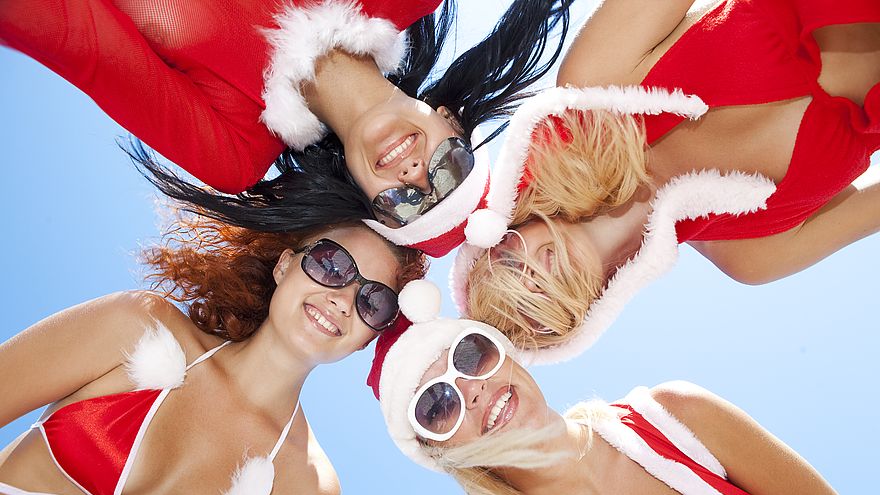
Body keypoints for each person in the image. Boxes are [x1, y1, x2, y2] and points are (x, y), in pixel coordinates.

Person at [0, 213, 426, 495]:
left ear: (369, 339)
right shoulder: (136, 325)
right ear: (284, 265)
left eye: (374, 301)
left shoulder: (308, 493)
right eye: (331, 264)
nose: (342, 299)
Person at [447, 0, 880, 362]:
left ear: (508, 221)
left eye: (505, 264)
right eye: (531, 313)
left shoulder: (596, 79)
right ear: (576, 325)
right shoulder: (752, 254)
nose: (531, 281)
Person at [365, 287, 880, 495]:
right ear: (440, 454)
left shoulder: (680, 419)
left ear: (506, 353)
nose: (472, 390)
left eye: (471, 356)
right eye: (437, 406)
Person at [0, 0, 573, 257]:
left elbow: (79, 43)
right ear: (451, 122)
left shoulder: (234, 146)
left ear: (370, 203)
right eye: (450, 171)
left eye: (407, 203)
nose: (415, 173)